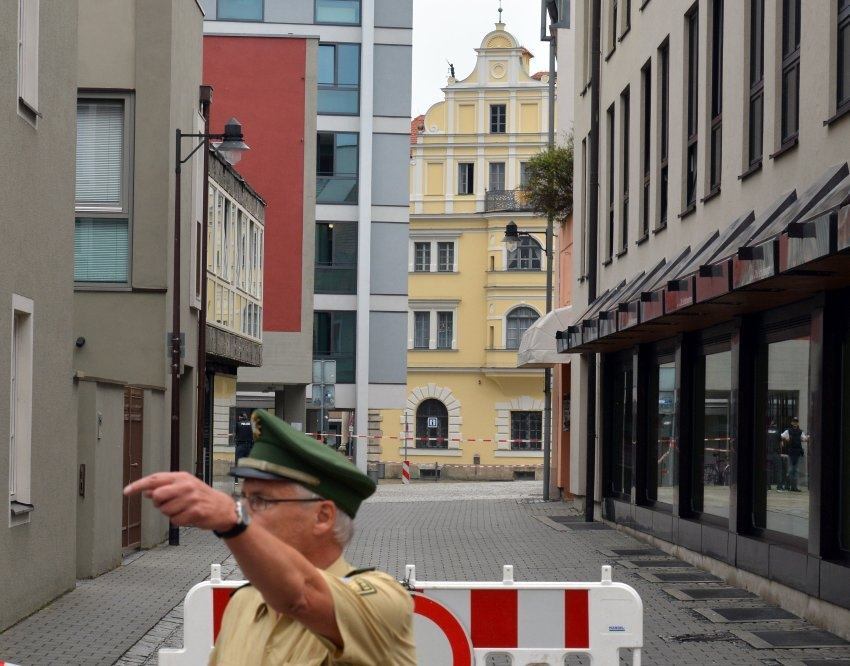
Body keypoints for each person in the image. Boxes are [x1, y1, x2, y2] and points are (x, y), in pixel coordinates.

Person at [124, 409, 416, 665]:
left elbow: (301, 596)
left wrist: (232, 520)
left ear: (323, 516)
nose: (247, 512)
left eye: (262, 500)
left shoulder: (383, 599)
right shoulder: (245, 602)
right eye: (244, 499)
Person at [781, 416, 807, 492]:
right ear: (792, 423)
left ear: (797, 423)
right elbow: (781, 436)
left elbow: (805, 439)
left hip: (797, 453)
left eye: (796, 421)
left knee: (795, 470)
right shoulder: (788, 431)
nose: (795, 423)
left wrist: (807, 438)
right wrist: (785, 440)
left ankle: (794, 487)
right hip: (791, 452)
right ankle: (788, 486)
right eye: (794, 421)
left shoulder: (800, 431)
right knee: (790, 470)